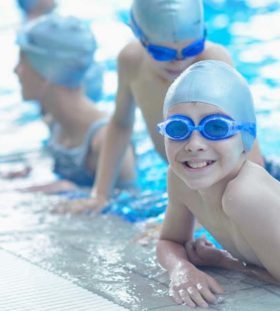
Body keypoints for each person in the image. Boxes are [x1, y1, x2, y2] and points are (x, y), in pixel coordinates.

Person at [87, 0, 264, 210]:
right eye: (163, 53)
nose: (180, 62)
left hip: (236, 178)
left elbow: (247, 142)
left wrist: (202, 219)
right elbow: (120, 125)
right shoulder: (131, 60)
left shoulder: (212, 61)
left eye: (192, 48)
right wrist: (100, 195)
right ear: (140, 38)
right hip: (193, 174)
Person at [156, 60, 280, 308]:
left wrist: (225, 262)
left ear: (245, 136)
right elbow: (168, 242)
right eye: (178, 128)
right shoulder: (178, 178)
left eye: (216, 128)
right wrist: (181, 268)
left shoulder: (245, 194)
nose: (194, 144)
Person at [14, 14, 135, 194]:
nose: (16, 71)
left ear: (46, 75)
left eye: (22, 63)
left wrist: (72, 193)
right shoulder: (54, 122)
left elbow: (134, 204)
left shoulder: (104, 140)